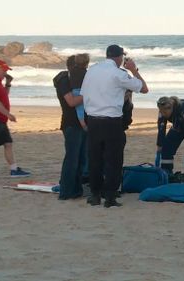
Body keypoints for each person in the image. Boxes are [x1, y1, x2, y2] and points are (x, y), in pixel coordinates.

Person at [81, 44, 148, 208]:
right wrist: (133, 69)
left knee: (95, 158)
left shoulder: (92, 71)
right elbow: (144, 88)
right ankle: (110, 196)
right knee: (113, 159)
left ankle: (95, 195)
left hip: (93, 119)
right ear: (119, 57)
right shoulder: (119, 74)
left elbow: (84, 94)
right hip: (111, 120)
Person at [53, 55, 87, 200]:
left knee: (81, 159)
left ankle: (76, 189)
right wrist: (90, 94)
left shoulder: (76, 79)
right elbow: (71, 102)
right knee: (72, 159)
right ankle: (66, 191)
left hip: (82, 123)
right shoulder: (64, 80)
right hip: (71, 123)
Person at [70, 53, 90, 130]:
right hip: (83, 91)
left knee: (79, 109)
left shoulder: (72, 71)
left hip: (74, 90)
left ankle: (82, 123)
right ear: (87, 63)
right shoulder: (86, 73)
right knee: (82, 108)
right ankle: (84, 125)